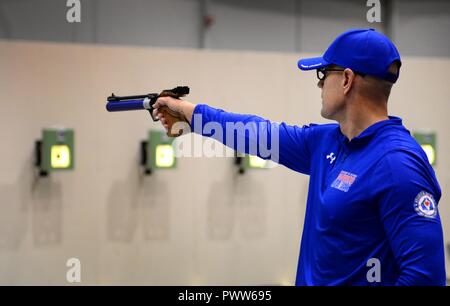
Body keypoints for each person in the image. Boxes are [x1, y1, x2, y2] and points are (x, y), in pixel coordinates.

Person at [152, 29, 446, 285]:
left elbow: (425, 277)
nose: (319, 84)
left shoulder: (398, 164)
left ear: (346, 79)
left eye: (323, 74)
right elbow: (258, 133)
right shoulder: (328, 142)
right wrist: (189, 115)